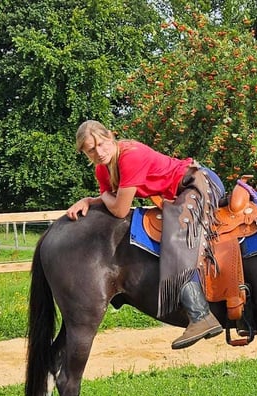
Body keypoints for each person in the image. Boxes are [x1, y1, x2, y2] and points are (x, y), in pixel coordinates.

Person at [67, 120, 225, 350]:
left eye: (101, 144)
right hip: (175, 194)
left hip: (198, 182)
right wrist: (93, 199)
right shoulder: (102, 169)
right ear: (84, 152)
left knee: (176, 235)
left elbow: (119, 209)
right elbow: (113, 201)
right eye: (91, 149)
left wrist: (100, 197)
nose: (99, 152)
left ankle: (201, 315)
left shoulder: (131, 155)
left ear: (111, 137)